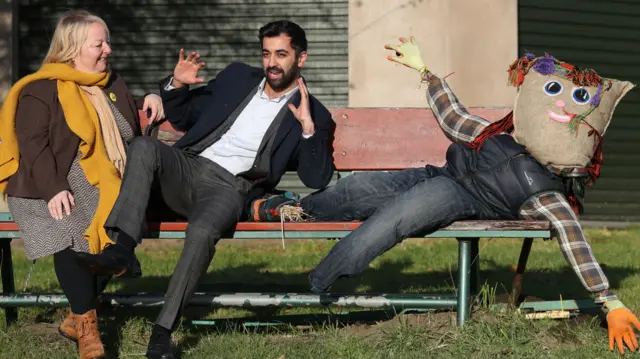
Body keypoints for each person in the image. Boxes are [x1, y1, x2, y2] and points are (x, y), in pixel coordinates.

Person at [253, 37, 640, 354]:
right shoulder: (498, 138)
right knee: (357, 189)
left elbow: (573, 237)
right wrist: (424, 70)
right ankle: (291, 208)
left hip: (457, 196)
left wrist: (609, 301)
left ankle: (314, 284)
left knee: (394, 219)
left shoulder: (544, 193)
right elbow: (453, 116)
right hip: (437, 172)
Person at [74, 19, 334, 359]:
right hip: (189, 167)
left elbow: (316, 179)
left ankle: (162, 333)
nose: (271, 62)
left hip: (232, 187)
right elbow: (184, 115)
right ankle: (123, 250)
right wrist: (176, 85)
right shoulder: (238, 77)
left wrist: (308, 130)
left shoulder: (314, 113)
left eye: (281, 54)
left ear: (301, 59)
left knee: (202, 231)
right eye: (266, 53)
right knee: (143, 147)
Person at [0, 10, 164, 359]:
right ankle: (89, 328)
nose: (108, 49)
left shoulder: (111, 83)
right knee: (71, 227)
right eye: (99, 43)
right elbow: (32, 145)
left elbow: (124, 121)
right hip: (47, 179)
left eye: (107, 41)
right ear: (73, 48)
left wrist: (155, 96)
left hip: (104, 177)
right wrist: (54, 188)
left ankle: (77, 317)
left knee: (113, 227)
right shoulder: (40, 90)